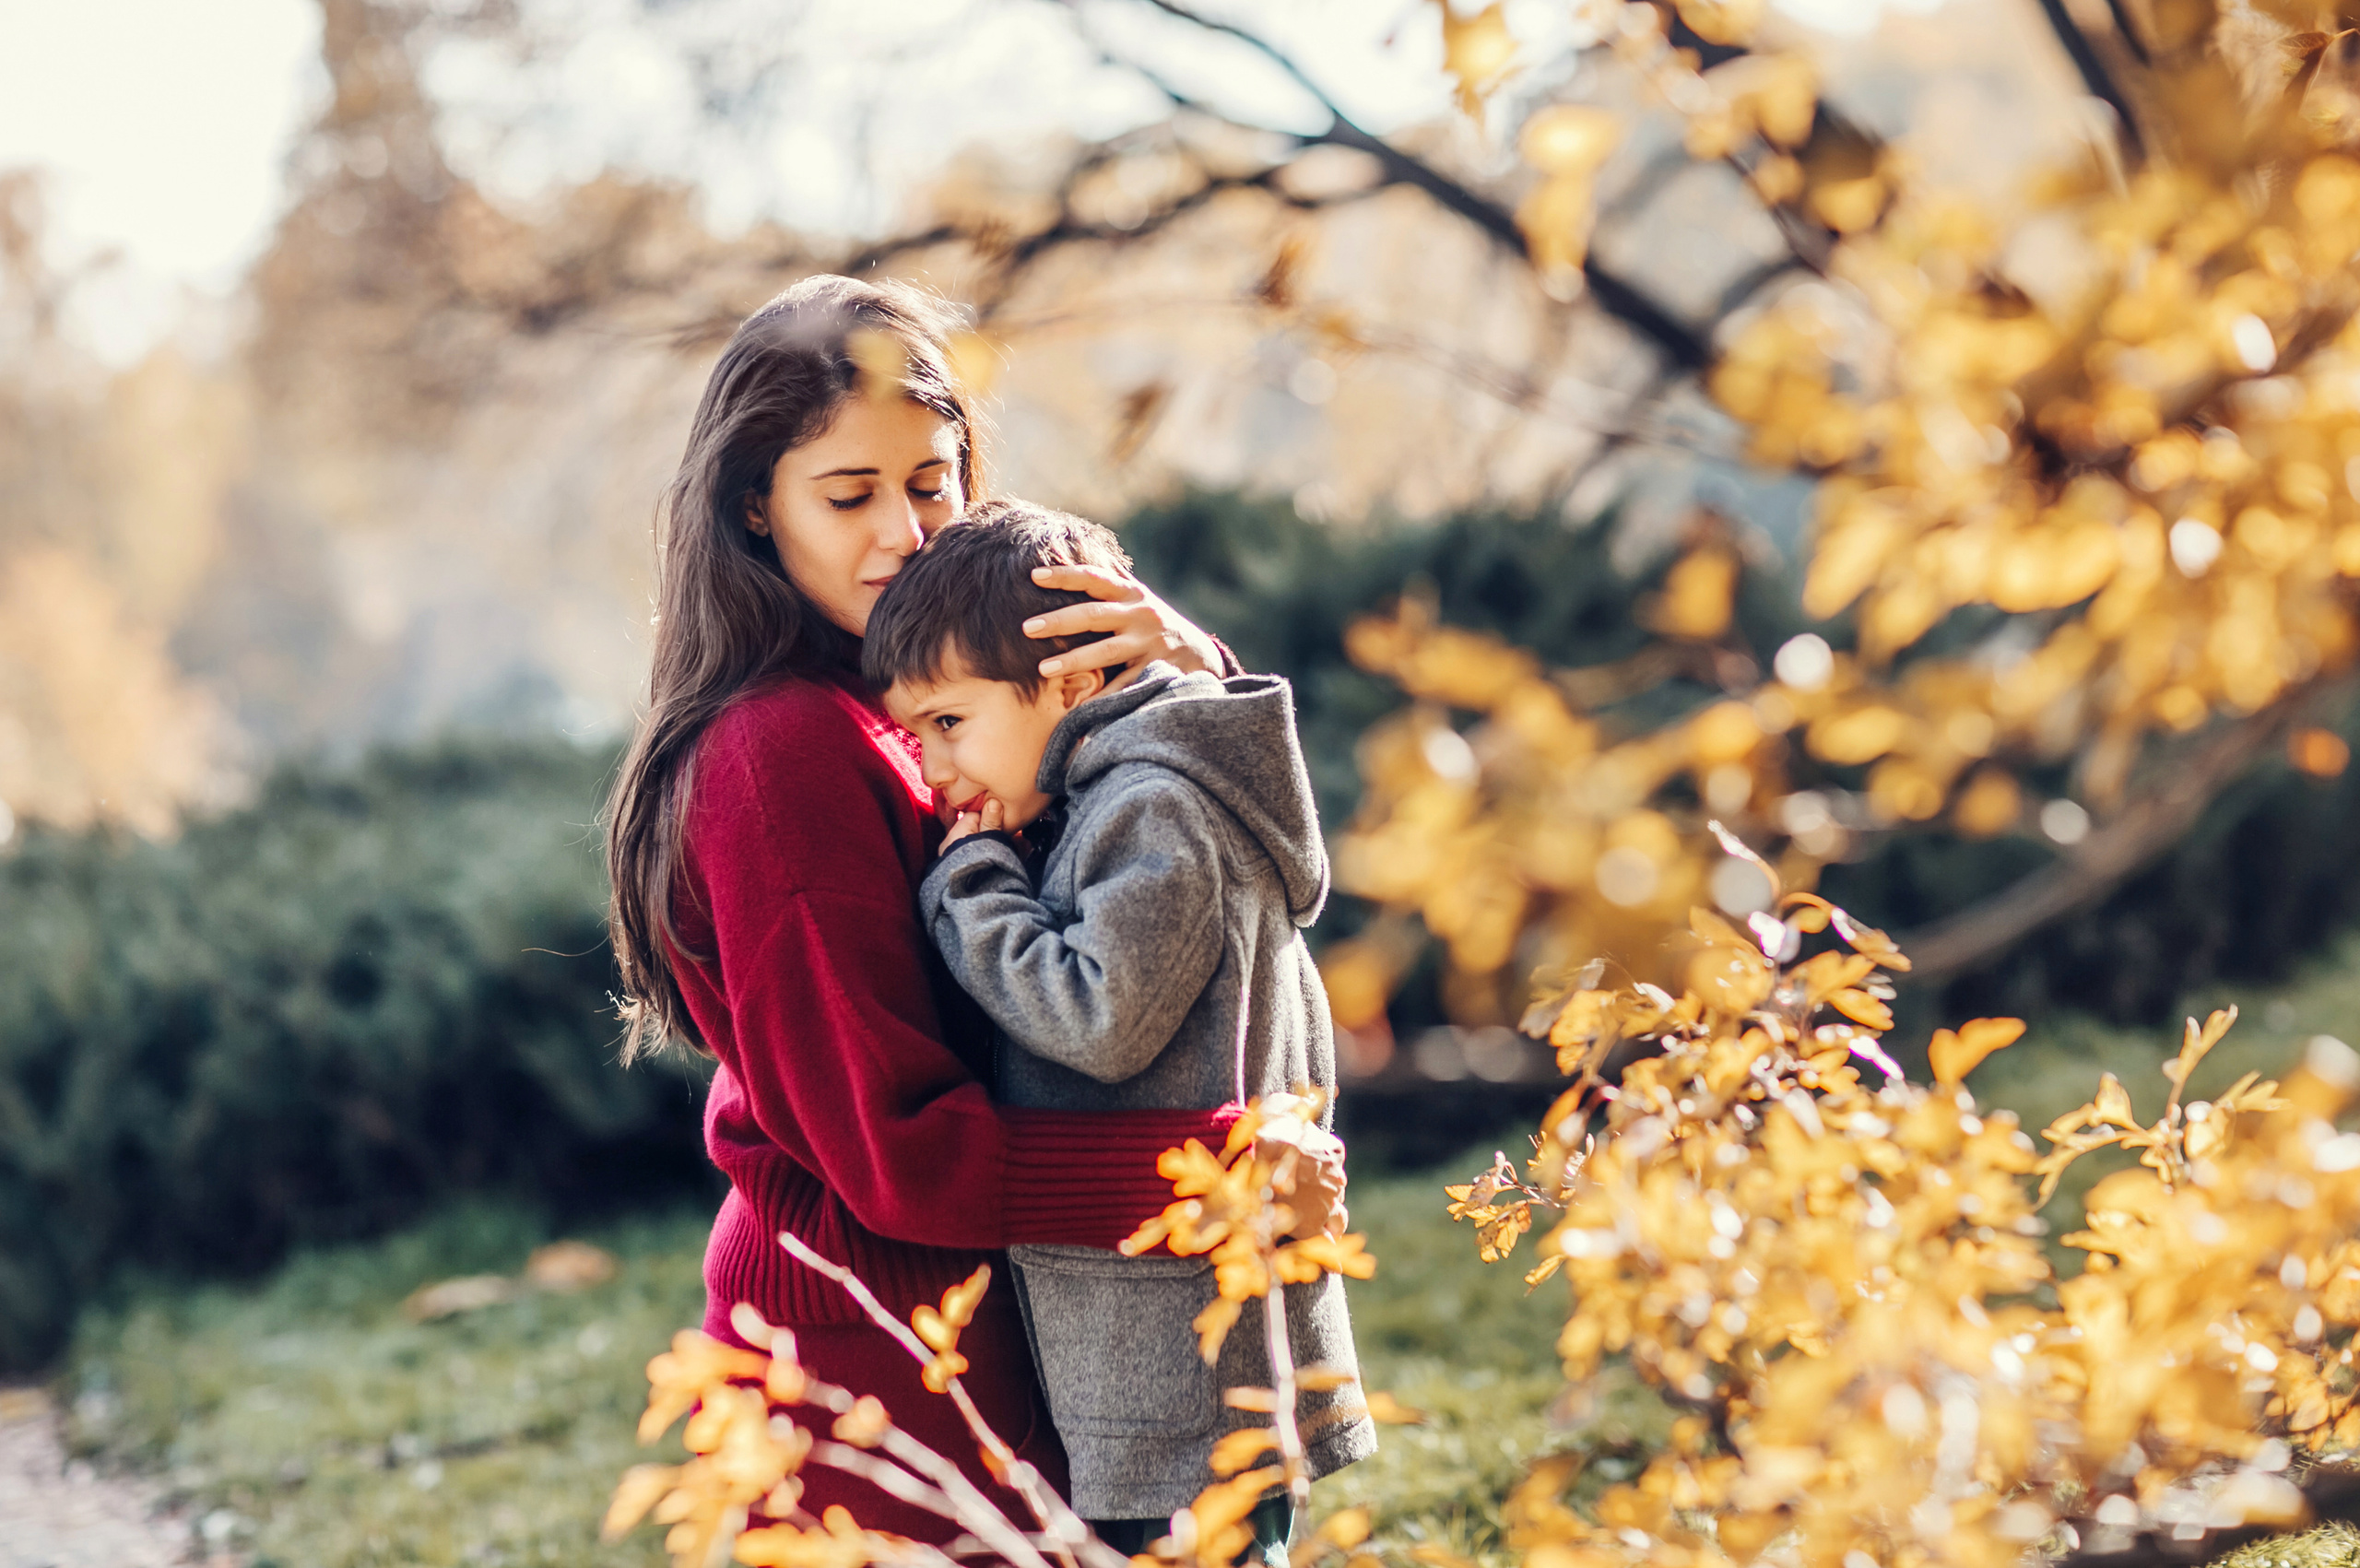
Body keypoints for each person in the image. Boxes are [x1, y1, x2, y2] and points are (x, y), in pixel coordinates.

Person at [602, 274, 1343, 1542]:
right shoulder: (781, 757)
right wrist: (1221, 1170)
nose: (904, 530)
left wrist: (1181, 671)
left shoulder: (920, 704)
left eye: (933, 480)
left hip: (983, 1328)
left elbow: (1172, 889)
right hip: (872, 1369)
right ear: (752, 510)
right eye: (849, 495)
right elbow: (902, 1156)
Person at [862, 501, 1376, 1560]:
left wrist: (972, 883)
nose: (932, 765)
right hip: (1174, 1333)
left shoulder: (1152, 808)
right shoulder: (1118, 791)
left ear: (1074, 682)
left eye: (949, 723)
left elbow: (1097, 1017)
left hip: (1186, 1353)